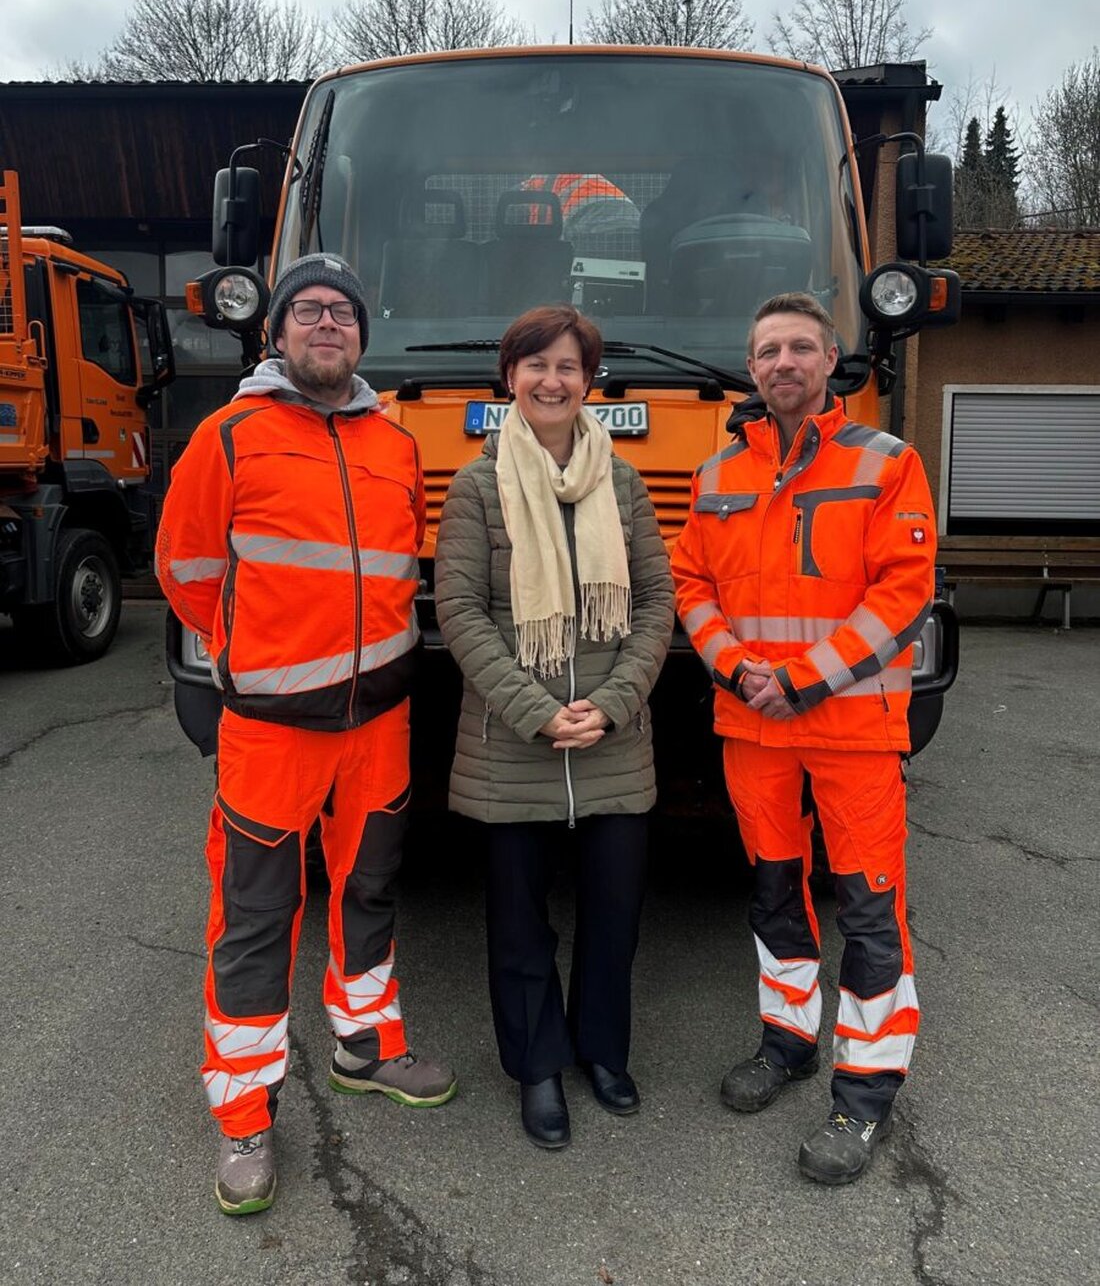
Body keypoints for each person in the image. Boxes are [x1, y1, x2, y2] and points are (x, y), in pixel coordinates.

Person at [156, 253, 455, 1216]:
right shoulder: (229, 436)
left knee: (367, 890)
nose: (327, 324)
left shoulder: (395, 442)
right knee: (254, 918)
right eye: (308, 311)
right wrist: (264, 653)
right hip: (272, 731)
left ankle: (366, 1046)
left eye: (343, 312)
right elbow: (188, 570)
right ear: (276, 332)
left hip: (381, 722)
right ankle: (244, 1113)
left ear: (361, 335)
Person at [671, 290, 936, 1185]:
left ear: (830, 362)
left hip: (853, 730)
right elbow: (690, 584)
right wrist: (734, 665)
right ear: (751, 369)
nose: (783, 363)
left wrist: (799, 679)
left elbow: (902, 595)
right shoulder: (714, 478)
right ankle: (786, 1043)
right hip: (753, 730)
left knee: (868, 912)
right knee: (776, 895)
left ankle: (863, 1097)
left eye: (800, 348)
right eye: (767, 351)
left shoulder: (888, 461)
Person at [434, 303, 673, 1149]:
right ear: (511, 379)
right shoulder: (476, 485)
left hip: (613, 738)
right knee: (519, 919)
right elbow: (459, 612)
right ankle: (538, 1066)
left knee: (615, 913)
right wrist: (538, 712)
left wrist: (610, 705)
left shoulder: (626, 483)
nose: (552, 380)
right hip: (514, 745)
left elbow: (655, 606)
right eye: (535, 365)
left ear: (588, 381)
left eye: (568, 366)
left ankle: (602, 1052)